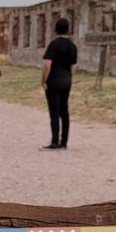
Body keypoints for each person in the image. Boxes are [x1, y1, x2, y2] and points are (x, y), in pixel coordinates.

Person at [40, 18, 78, 150]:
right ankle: (64, 141)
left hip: (54, 81)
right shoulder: (72, 46)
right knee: (64, 111)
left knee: (54, 111)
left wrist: (43, 80)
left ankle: (55, 141)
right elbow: (74, 67)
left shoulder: (54, 45)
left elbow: (47, 65)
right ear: (68, 29)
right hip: (66, 80)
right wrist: (69, 78)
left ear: (55, 29)